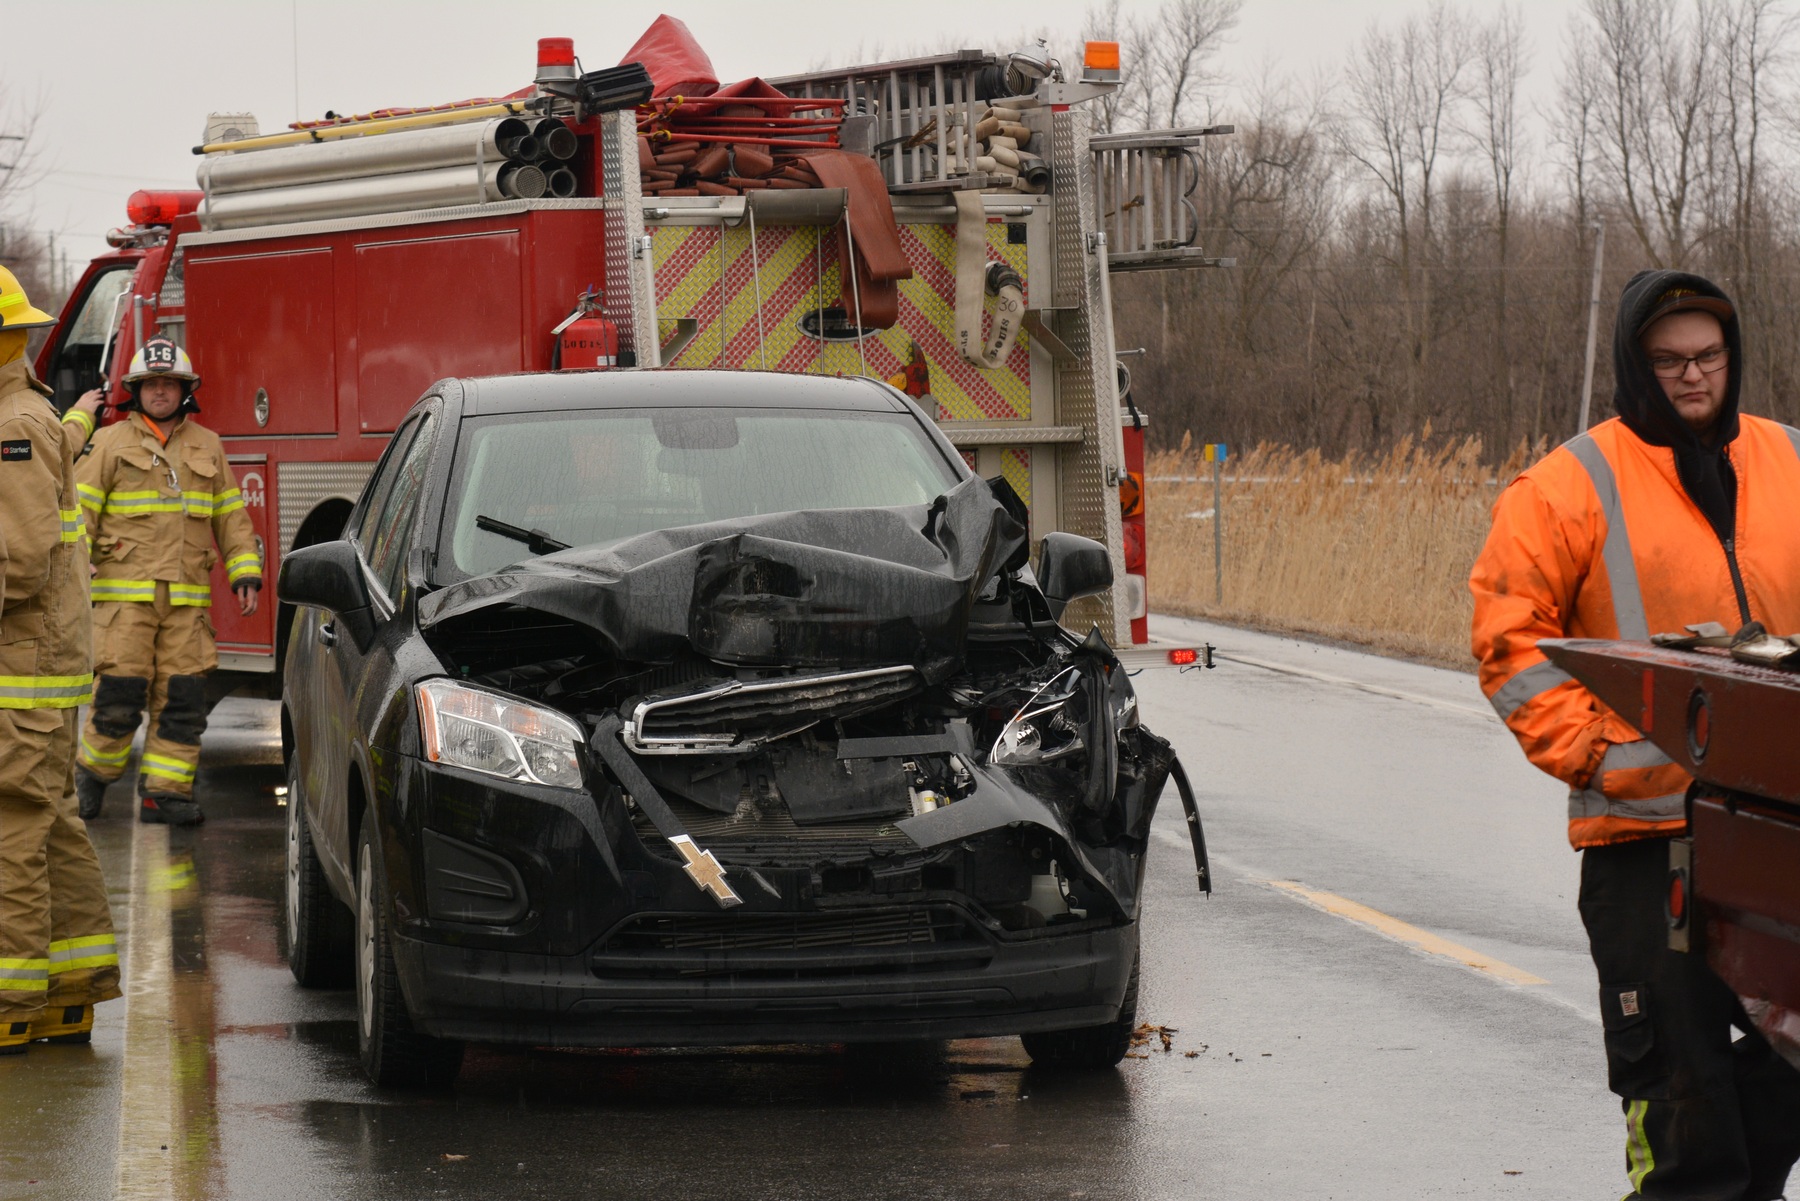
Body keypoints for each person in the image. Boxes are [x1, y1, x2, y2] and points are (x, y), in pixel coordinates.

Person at [1472, 270, 1800, 1199]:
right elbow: (1509, 643)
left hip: (1779, 837)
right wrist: (1607, 756)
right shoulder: (1567, 484)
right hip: (1646, 844)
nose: (1693, 375)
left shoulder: (1790, 460)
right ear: (1635, 365)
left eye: (1708, 356)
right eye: (1669, 360)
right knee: (1686, 1118)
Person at [0, 266, 122, 1054]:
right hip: (36, 663)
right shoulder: (28, 415)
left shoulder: (12, 426)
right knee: (49, 822)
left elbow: (15, 559)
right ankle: (70, 990)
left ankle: (10, 997)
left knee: (11, 826)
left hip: (22, 667)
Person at [71, 336, 261, 827]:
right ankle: (91, 779)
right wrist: (79, 559)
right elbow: (78, 508)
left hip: (186, 606)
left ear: (184, 391)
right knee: (118, 697)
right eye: (151, 383)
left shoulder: (208, 446)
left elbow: (230, 516)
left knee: (182, 701)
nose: (160, 391)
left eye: (169, 383)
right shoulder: (110, 442)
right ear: (136, 391)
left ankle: (165, 793)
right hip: (123, 603)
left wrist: (245, 572)